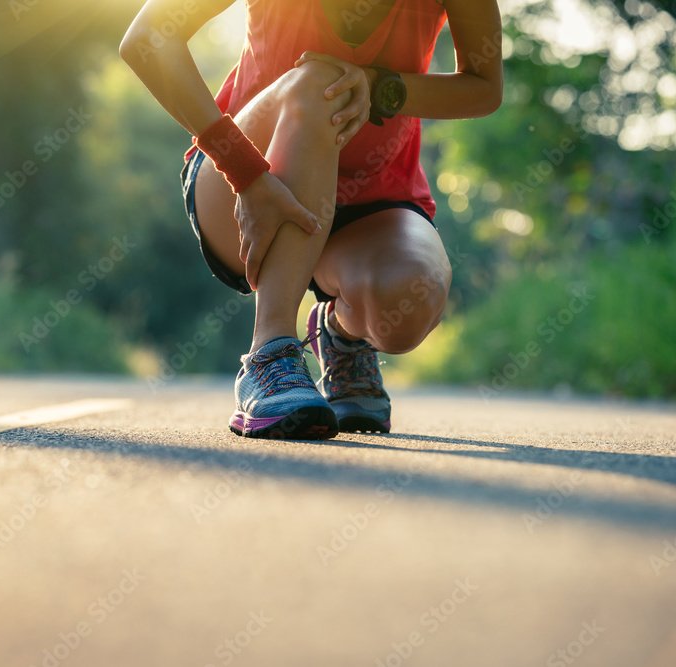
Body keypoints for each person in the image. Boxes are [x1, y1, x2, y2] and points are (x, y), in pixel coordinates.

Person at [120, 0, 502, 439]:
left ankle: (340, 334)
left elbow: (483, 87)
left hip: (373, 196)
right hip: (245, 178)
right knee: (323, 81)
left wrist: (379, 87)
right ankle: (270, 354)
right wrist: (245, 172)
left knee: (410, 300)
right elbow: (147, 38)